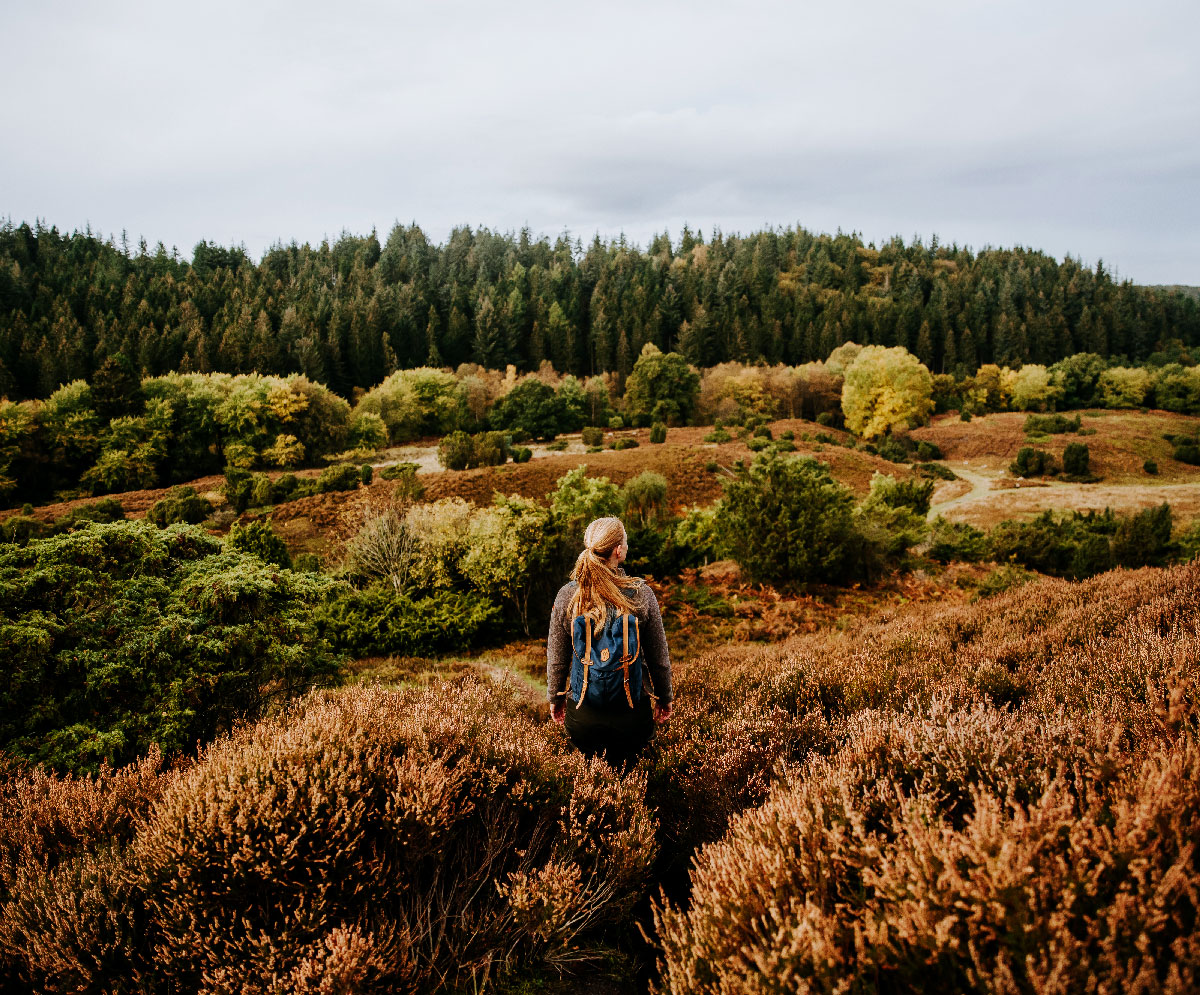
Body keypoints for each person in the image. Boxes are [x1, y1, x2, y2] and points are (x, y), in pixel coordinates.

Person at [546, 516, 673, 769]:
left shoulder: (567, 595)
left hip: (583, 714)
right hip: (632, 714)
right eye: (625, 541)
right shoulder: (641, 593)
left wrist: (555, 697)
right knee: (632, 783)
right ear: (618, 550)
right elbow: (658, 658)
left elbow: (557, 658)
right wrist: (664, 696)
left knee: (588, 787)